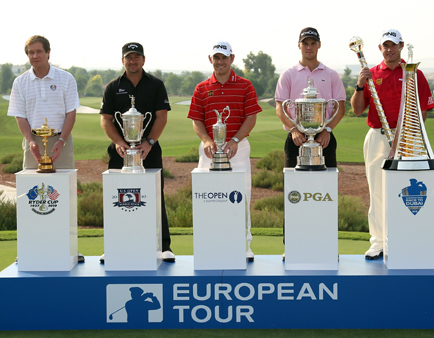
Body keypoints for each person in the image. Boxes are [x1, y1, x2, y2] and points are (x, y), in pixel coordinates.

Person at [350, 28, 434, 259]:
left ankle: (402, 239)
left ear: (401, 46)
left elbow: (423, 111)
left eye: (393, 45)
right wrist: (359, 85)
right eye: (384, 45)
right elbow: (357, 109)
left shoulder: (413, 73)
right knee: (377, 191)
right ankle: (378, 243)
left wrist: (406, 136)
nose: (388, 49)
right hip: (377, 137)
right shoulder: (372, 73)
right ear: (380, 48)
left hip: (406, 139)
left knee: (403, 192)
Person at [7, 35, 84, 262]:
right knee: (32, 196)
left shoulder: (65, 78)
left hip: (61, 141)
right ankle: (31, 248)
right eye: (31, 52)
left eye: (39, 51)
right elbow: (20, 116)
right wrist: (30, 141)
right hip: (32, 143)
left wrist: (61, 141)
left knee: (64, 194)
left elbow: (71, 112)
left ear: (48, 52)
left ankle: (70, 248)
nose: (35, 56)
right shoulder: (20, 81)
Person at [275, 27, 346, 261]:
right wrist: (295, 129)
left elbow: (340, 108)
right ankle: (291, 245)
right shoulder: (288, 74)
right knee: (293, 194)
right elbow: (280, 107)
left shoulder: (332, 74)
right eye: (305, 43)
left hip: (325, 140)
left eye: (312, 43)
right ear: (299, 46)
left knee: (325, 193)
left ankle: (326, 244)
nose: (309, 47)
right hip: (295, 139)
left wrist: (327, 129)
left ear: (319, 45)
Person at [100, 42, 175, 263]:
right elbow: (105, 119)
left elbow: (161, 116)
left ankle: (164, 247)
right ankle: (113, 246)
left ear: (143, 59)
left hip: (149, 150)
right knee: (116, 198)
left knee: (155, 197)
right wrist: (119, 142)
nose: (133, 61)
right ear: (122, 60)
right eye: (128, 57)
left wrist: (150, 141)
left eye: (137, 57)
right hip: (120, 152)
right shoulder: (113, 86)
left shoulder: (156, 84)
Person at [187, 41, 262, 260]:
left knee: (242, 197)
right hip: (209, 150)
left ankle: (244, 245)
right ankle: (209, 242)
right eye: (216, 58)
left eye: (224, 57)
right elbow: (196, 120)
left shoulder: (245, 86)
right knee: (208, 196)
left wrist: (236, 139)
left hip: (237, 147)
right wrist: (206, 140)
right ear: (210, 59)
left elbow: (251, 117)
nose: (220, 62)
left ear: (232, 59)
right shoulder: (202, 88)